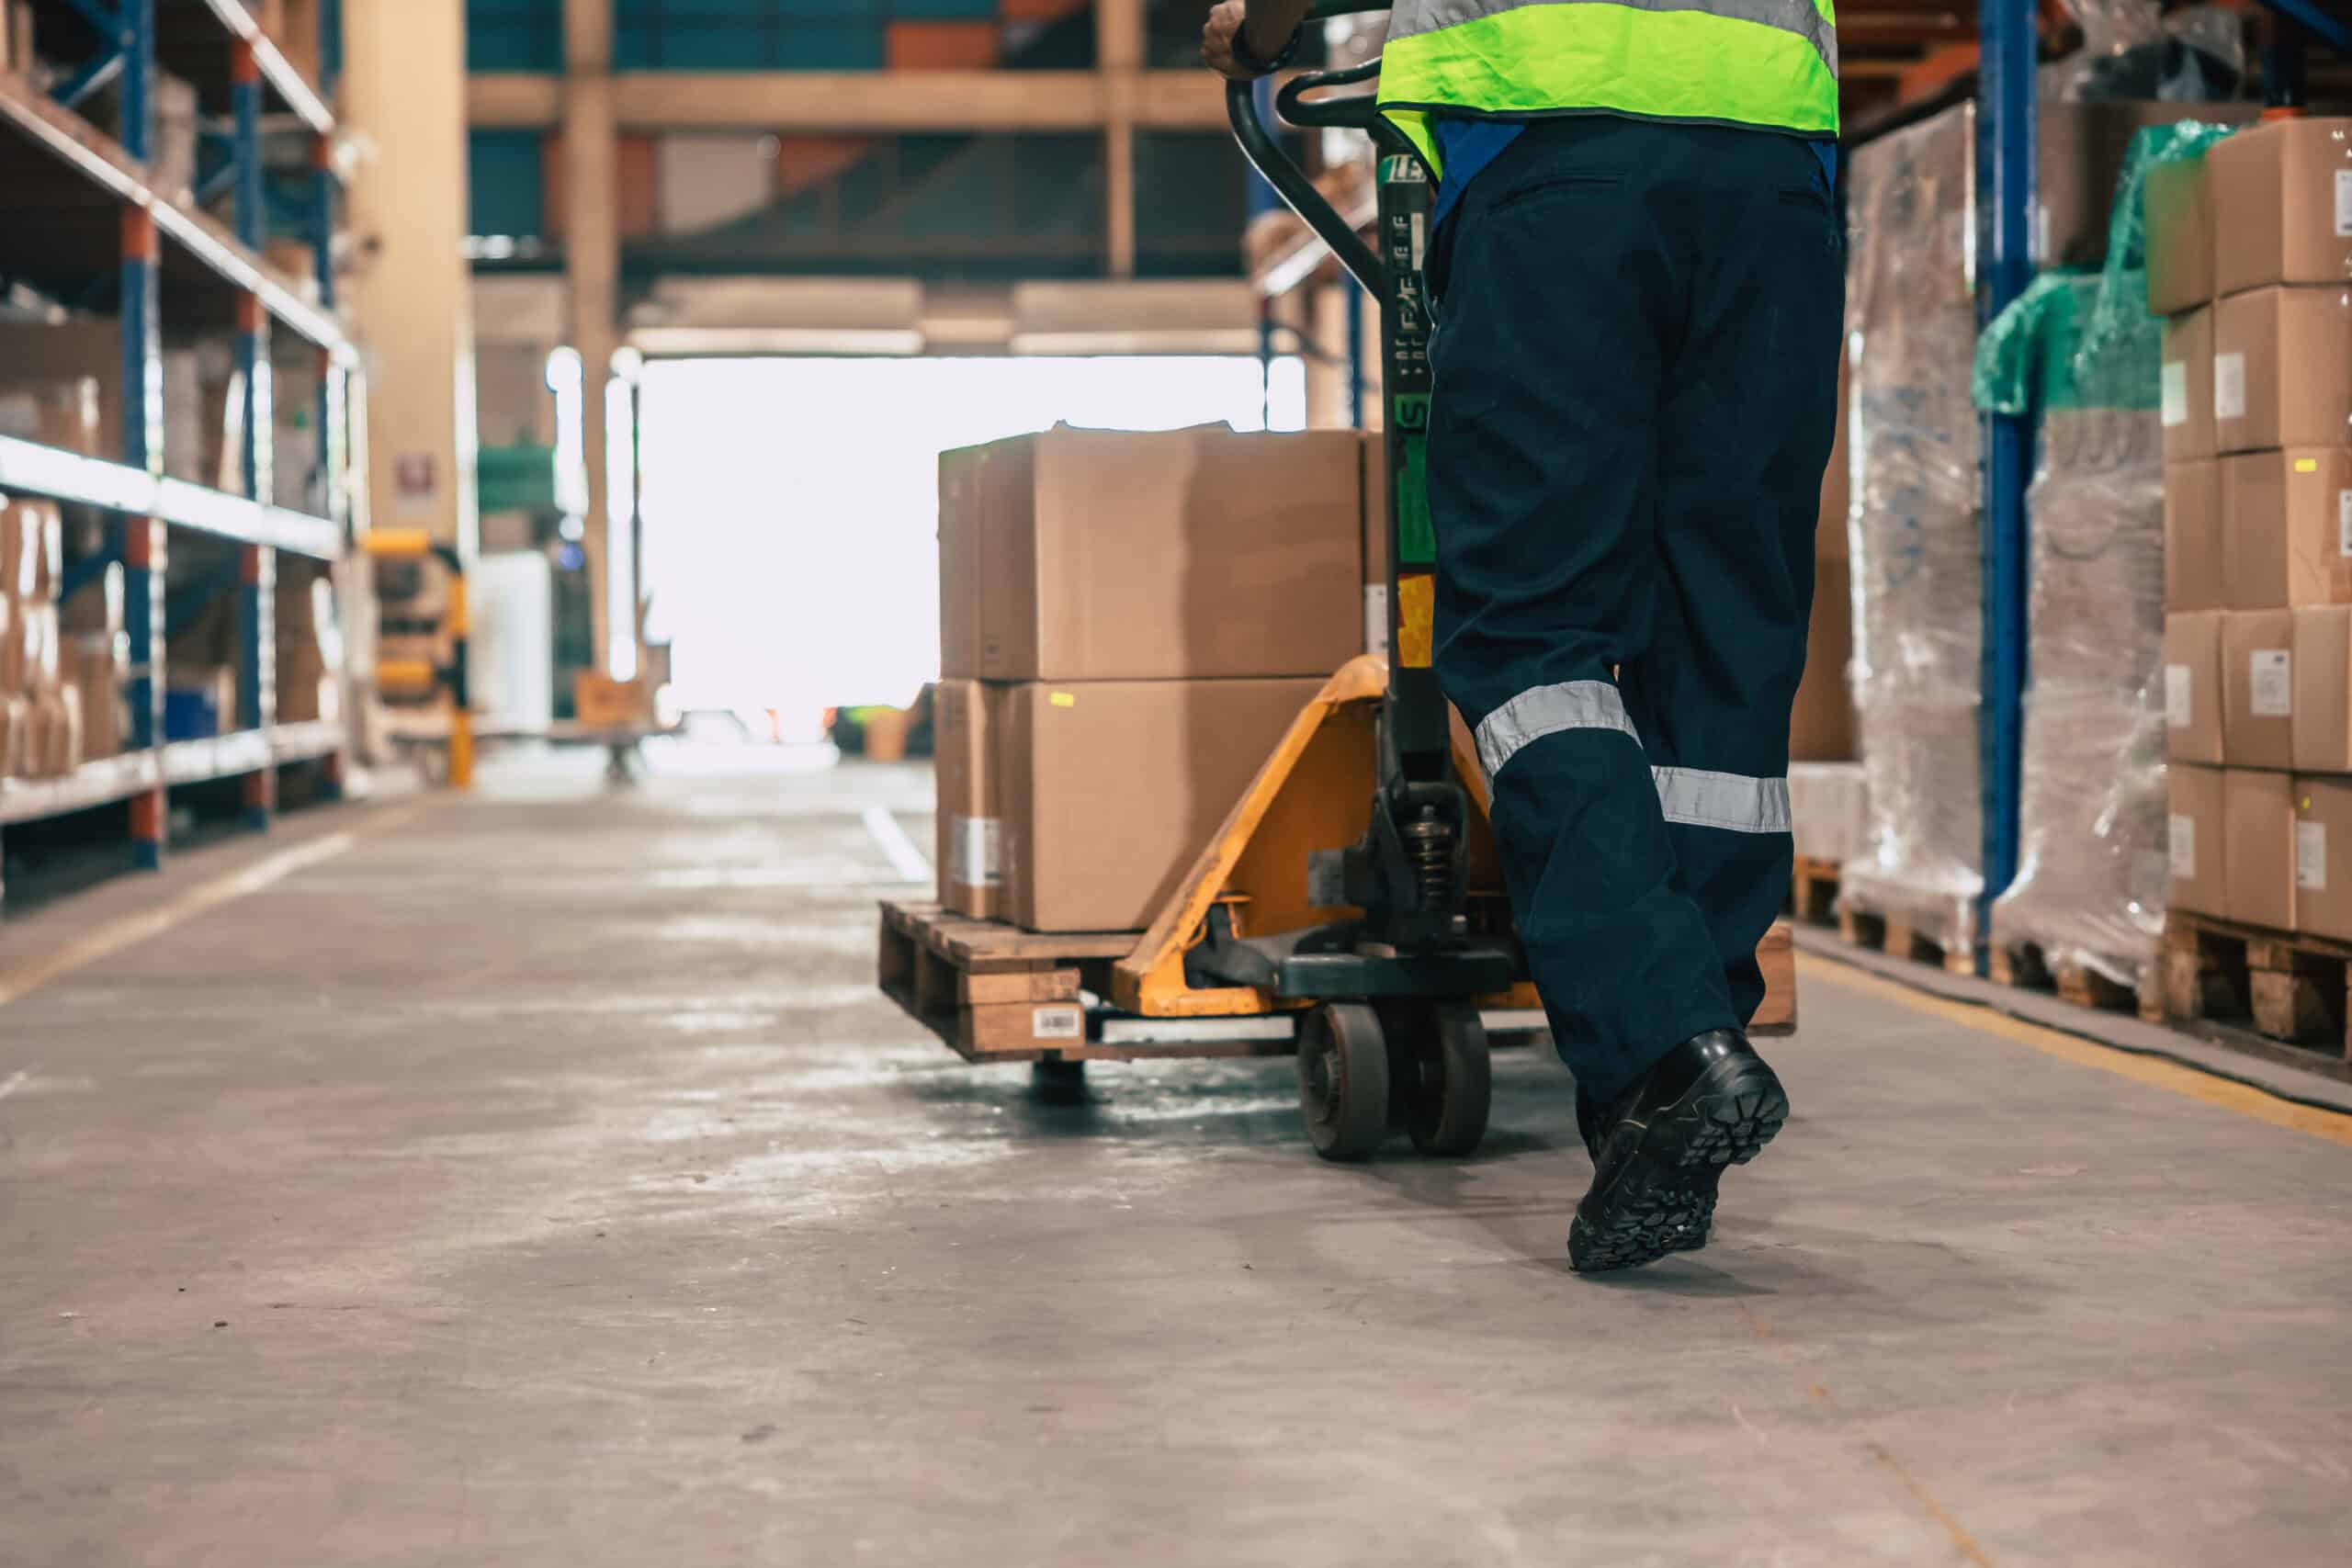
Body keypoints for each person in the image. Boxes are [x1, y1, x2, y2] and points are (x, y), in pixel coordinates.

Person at [1206, 0, 1841, 1272]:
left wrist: (1258, 31)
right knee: (1725, 637)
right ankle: (1670, 1077)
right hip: (1774, 170)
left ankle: (1669, 1049)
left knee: (1531, 637)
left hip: (1556, 164)